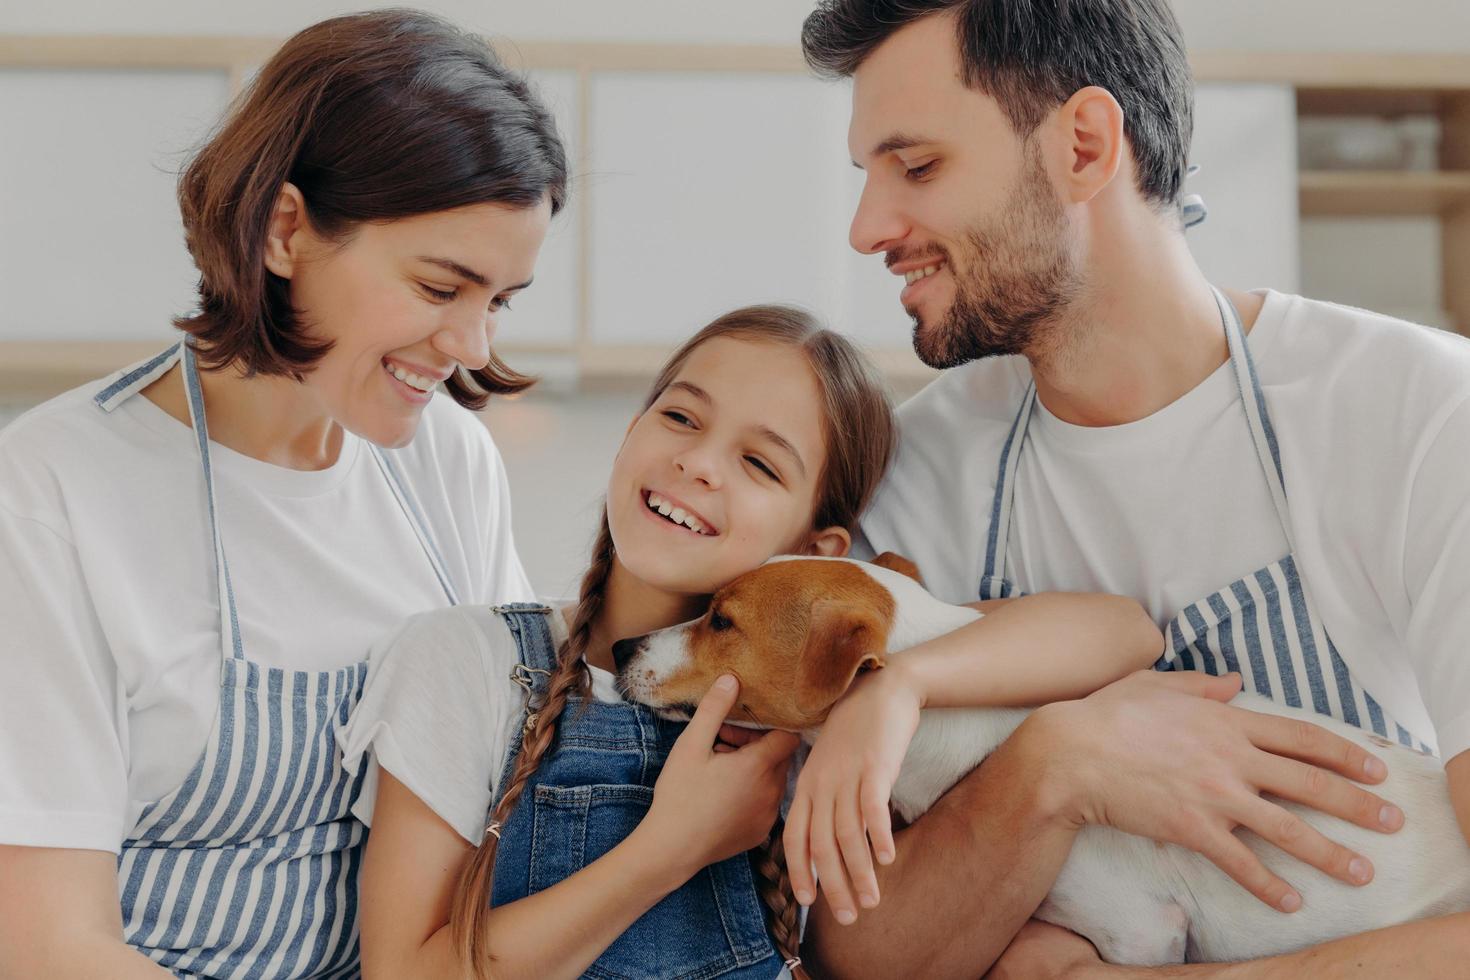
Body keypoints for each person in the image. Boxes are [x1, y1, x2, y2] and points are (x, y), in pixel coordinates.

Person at [782, 1, 1470, 976]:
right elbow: (863, 955)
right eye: (867, 177)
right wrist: (1057, 764)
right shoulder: (916, 472)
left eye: (919, 165)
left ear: (1086, 145)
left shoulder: (1425, 414)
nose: (867, 228)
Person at [341, 304, 1164, 979]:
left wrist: (893, 689)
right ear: (632, 431)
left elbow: (1123, 631)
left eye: (761, 464)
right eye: (679, 416)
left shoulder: (819, 684)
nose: (699, 462)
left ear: (819, 554)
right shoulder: (467, 661)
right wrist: (670, 850)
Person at [0, 10, 566, 978]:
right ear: (285, 229)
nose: (474, 347)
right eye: (441, 287)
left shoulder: (450, 466)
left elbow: (509, 813)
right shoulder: (53, 487)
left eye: (499, 301)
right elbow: (49, 942)